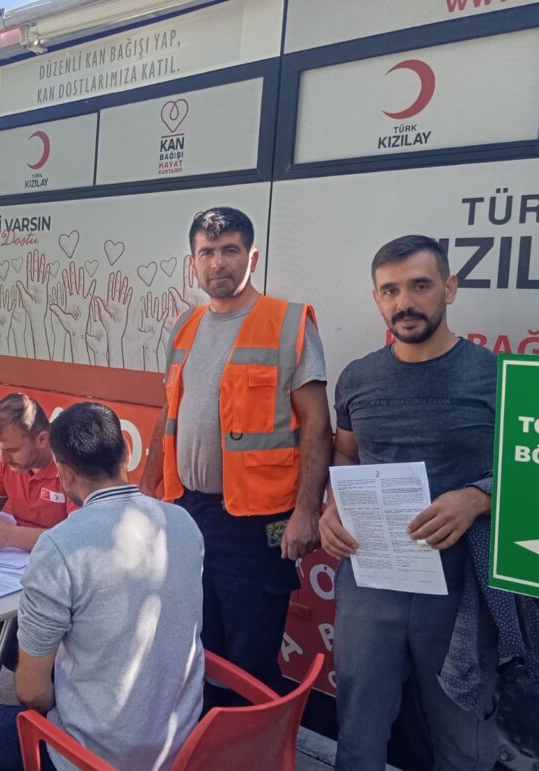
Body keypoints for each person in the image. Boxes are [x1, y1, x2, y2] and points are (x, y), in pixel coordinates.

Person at [0, 402, 205, 771]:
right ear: (126, 455)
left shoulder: (60, 545)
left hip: (93, 757)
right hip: (183, 745)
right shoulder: (184, 522)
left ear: (64, 473)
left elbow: (32, 694)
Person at [318, 235, 500, 769]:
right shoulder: (358, 378)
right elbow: (346, 454)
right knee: (359, 732)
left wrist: (477, 497)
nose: (405, 302)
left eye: (420, 286)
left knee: (463, 737)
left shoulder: (495, 375)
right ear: (377, 299)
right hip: (371, 576)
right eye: (390, 290)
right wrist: (333, 506)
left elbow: (533, 475)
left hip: (459, 584)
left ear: (450, 288)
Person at [140, 206, 331, 693]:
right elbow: (169, 411)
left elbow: (316, 424)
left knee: (249, 662)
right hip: (188, 512)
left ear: (252, 257)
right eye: (207, 252)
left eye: (229, 250)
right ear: (193, 263)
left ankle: (252, 735)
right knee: (200, 649)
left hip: (256, 524)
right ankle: (210, 733)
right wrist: (146, 490)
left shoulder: (287, 322)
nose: (218, 263)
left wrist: (306, 512)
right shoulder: (186, 325)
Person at [0, 393, 76, 551]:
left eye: (12, 450)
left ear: (42, 439)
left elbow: (75, 538)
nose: (4, 458)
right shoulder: (9, 461)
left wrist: (8, 535)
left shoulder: (71, 467)